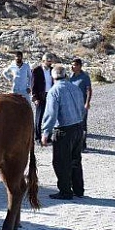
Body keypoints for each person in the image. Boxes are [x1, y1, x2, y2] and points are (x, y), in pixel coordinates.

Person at [41, 64, 85, 200]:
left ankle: (65, 191)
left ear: (52, 77)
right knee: (75, 160)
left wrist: (45, 133)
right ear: (65, 75)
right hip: (78, 127)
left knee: (61, 162)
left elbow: (51, 114)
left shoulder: (54, 91)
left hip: (64, 130)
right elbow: (82, 109)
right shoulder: (75, 88)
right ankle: (78, 189)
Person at [69, 58, 92, 151]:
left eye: (74, 65)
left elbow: (89, 90)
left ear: (79, 66)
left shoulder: (85, 77)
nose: (72, 67)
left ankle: (82, 144)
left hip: (81, 105)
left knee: (82, 125)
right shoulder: (71, 77)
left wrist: (87, 102)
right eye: (72, 65)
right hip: (71, 105)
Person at [31, 53, 55, 141]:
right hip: (40, 96)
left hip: (51, 96)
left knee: (49, 117)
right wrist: (35, 97)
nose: (50, 63)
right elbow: (33, 85)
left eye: (51, 61)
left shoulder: (53, 70)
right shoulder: (36, 70)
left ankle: (47, 137)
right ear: (43, 61)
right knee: (39, 118)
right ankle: (37, 137)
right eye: (48, 61)